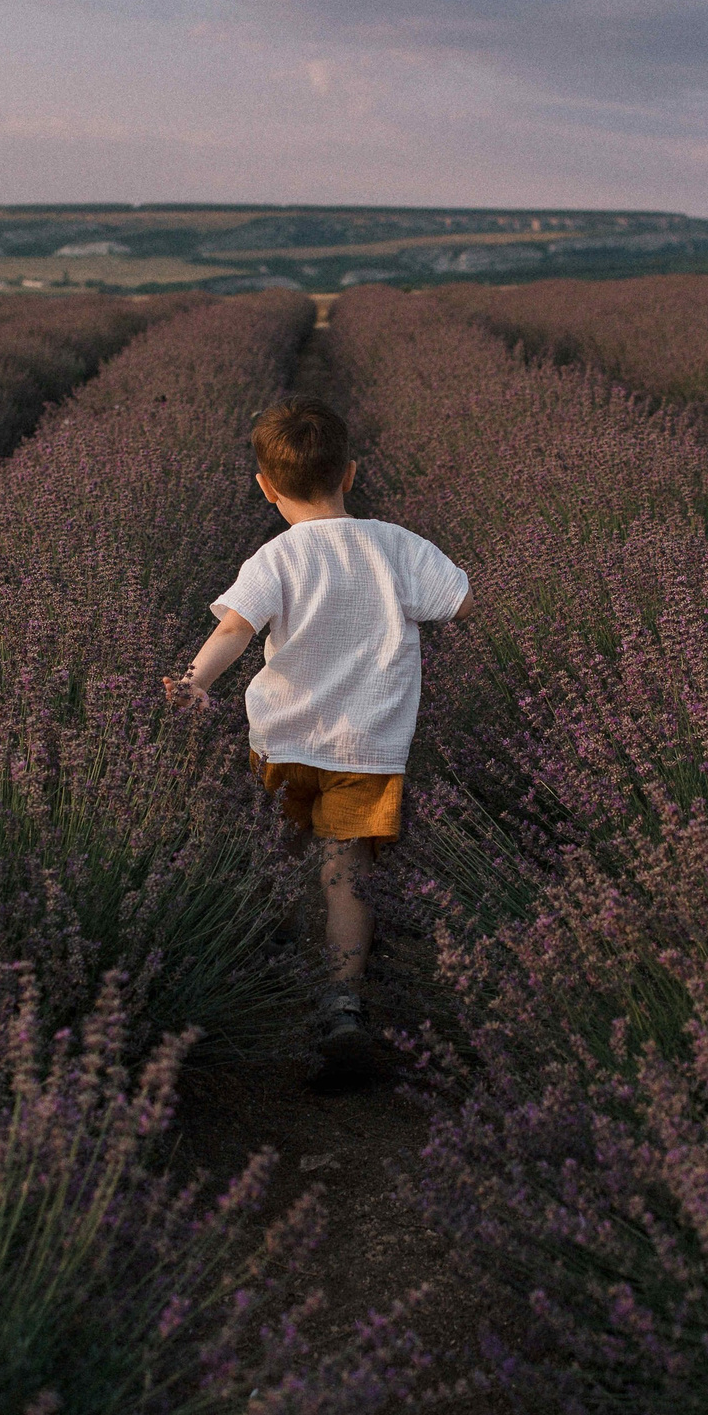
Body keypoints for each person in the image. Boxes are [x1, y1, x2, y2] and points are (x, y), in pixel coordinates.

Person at [164, 394, 473, 1069]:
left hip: (283, 741)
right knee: (346, 871)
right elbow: (460, 599)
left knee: (273, 853)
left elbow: (234, 629)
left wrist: (194, 683)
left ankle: (256, 959)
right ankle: (342, 1001)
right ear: (352, 474)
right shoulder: (394, 544)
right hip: (367, 746)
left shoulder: (275, 558)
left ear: (265, 488)